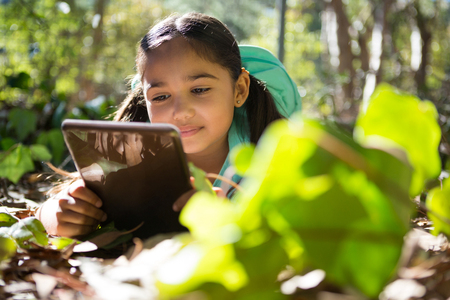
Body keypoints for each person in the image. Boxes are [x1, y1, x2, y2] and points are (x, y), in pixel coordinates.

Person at [36, 12, 301, 238]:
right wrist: (60, 215)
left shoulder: (274, 160)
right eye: (161, 97)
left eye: (199, 89)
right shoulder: (129, 155)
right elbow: (45, 211)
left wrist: (226, 223)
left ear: (239, 90)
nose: (180, 112)